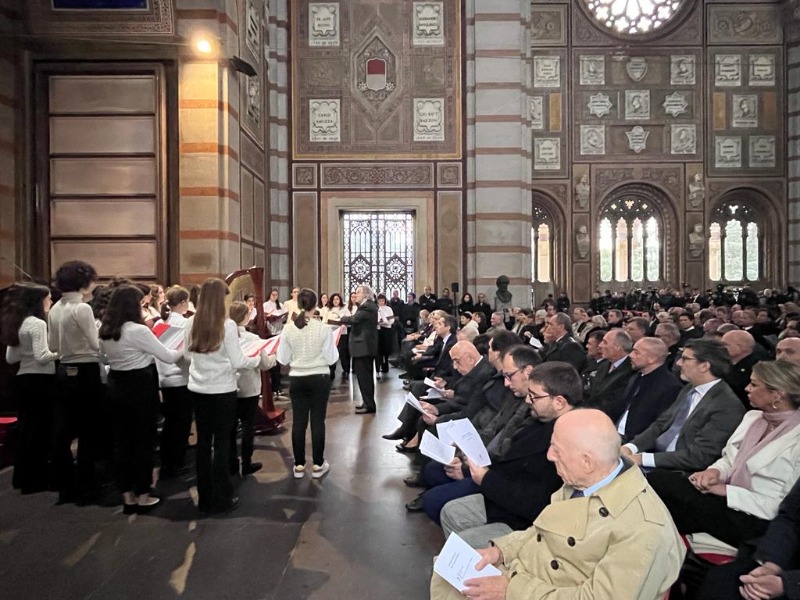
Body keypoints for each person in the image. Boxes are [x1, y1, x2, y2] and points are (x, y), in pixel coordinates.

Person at [430, 409, 685, 600]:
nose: (549, 456)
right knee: (446, 573)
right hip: (531, 576)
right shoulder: (583, 481)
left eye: (556, 449)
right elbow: (542, 530)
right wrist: (501, 550)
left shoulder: (645, 528)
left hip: (544, 590)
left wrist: (511, 590)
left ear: (587, 461)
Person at [649, 360, 800, 550]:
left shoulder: (796, 438)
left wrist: (727, 491)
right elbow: (730, 459)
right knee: (658, 480)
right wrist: (713, 472)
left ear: (777, 395)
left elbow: (784, 505)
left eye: (754, 384)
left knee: (665, 501)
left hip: (755, 518)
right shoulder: (753, 418)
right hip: (723, 499)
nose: (747, 388)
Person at [438, 361, 579, 549]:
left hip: (530, 523)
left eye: (534, 396)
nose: (528, 400)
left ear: (559, 402)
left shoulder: (570, 440)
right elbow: (509, 461)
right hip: (506, 498)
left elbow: (539, 502)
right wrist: (471, 467)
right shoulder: (540, 421)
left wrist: (486, 479)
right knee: (451, 512)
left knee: (462, 543)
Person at [99, 285, 183, 513]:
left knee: (122, 442)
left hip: (116, 384)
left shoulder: (106, 329)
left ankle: (127, 496)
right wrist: (186, 344)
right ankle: (143, 494)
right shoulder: (138, 330)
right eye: (140, 303)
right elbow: (167, 355)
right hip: (139, 386)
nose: (143, 306)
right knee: (143, 441)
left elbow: (103, 356)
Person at [184, 278, 262, 514]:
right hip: (222, 390)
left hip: (198, 389)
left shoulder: (191, 322)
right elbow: (238, 361)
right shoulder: (226, 325)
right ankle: (223, 497)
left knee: (203, 444)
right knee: (221, 443)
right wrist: (257, 359)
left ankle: (205, 497)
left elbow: (188, 356)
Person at [622, 338, 746, 472]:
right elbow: (660, 425)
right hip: (657, 459)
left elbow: (700, 457)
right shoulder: (689, 389)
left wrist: (642, 459)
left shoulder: (727, 405)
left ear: (704, 366)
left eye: (685, 359)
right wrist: (630, 447)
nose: (679, 363)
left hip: (681, 473)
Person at [48, 260, 103, 505]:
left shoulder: (56, 307)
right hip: (85, 369)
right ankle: (86, 485)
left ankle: (65, 484)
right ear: (84, 282)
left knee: (64, 431)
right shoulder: (82, 309)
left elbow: (52, 346)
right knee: (89, 431)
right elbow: (95, 344)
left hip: (62, 369)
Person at [697, 475, 800, 600]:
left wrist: (788, 585)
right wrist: (771, 566)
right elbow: (790, 517)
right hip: (788, 559)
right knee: (723, 581)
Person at [2, 283, 58, 494]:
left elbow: (11, 357)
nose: (50, 302)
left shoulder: (18, 322)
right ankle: (39, 478)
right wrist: (62, 351)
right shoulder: (37, 324)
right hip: (41, 381)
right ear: (39, 301)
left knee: (28, 430)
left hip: (23, 379)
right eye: (48, 299)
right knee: (42, 431)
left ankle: (24, 478)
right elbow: (43, 356)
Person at [277, 288, 338, 478]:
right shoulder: (323, 328)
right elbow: (331, 358)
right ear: (315, 305)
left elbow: (282, 358)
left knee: (299, 422)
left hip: (297, 378)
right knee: (318, 421)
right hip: (319, 377)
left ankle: (299, 465)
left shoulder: (288, 328)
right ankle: (318, 465)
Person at [228, 301, 276, 476]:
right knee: (248, 425)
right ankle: (246, 463)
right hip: (250, 387)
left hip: (230, 387)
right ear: (246, 317)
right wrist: (273, 355)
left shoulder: (224, 337)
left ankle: (231, 463)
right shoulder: (253, 339)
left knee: (231, 427)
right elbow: (265, 364)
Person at [156, 285, 193, 477]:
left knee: (170, 423)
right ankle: (177, 462)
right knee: (181, 424)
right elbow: (186, 354)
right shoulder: (186, 325)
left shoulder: (159, 324)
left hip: (163, 379)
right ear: (183, 302)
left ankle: (167, 462)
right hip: (181, 378)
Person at [339, 285, 379, 414]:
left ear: (365, 295)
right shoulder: (367, 306)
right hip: (363, 347)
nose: (355, 295)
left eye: (358, 293)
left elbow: (354, 319)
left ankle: (369, 405)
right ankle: (367, 402)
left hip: (364, 347)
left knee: (365, 377)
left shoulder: (367, 306)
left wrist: (342, 319)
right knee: (363, 377)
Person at [375, 294, 395, 378]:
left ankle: (385, 365)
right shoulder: (376, 309)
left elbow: (391, 320)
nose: (381, 302)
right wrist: (383, 321)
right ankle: (378, 369)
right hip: (378, 330)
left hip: (387, 330)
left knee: (386, 349)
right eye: (379, 301)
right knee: (378, 350)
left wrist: (386, 322)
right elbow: (377, 320)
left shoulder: (388, 309)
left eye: (382, 300)